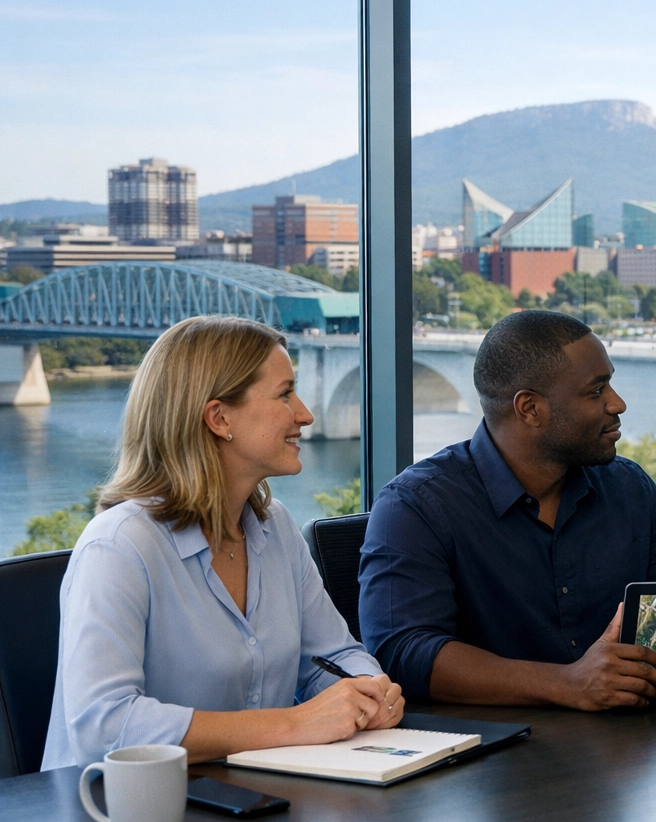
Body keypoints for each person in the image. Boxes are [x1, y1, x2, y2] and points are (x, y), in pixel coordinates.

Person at [359, 310, 656, 709]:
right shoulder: (416, 506)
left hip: (625, 756)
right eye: (596, 391)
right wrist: (566, 683)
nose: (619, 403)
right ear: (529, 408)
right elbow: (403, 652)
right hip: (483, 773)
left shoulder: (628, 487)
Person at [42, 316, 404, 769]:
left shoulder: (274, 527)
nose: (306, 414)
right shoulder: (118, 546)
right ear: (218, 417)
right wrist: (294, 724)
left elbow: (331, 657)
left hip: (246, 806)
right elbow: (104, 726)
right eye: (285, 394)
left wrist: (369, 690)